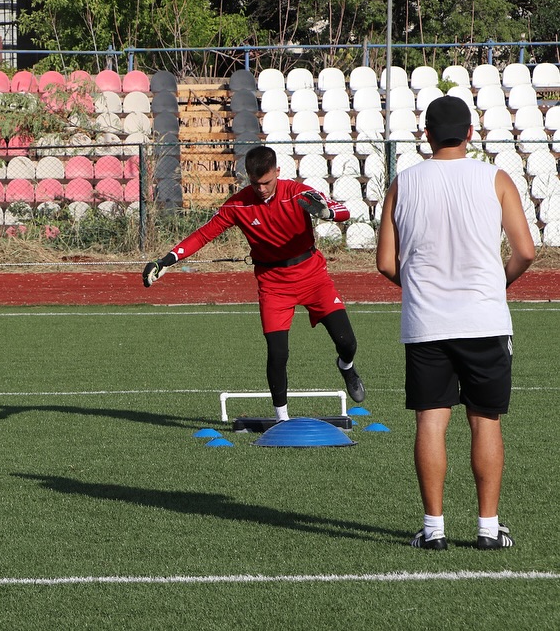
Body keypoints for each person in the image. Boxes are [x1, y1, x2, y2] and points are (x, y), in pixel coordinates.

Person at [376, 96, 535, 551]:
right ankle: (488, 529)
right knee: (485, 420)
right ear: (470, 133)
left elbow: (386, 262)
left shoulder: (402, 183)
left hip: (427, 322)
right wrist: (495, 285)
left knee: (431, 421)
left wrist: (424, 289)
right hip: (484, 318)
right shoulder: (496, 178)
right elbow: (525, 252)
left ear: (426, 134)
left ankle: (433, 530)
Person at [142, 144, 366, 421]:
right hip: (273, 285)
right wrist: (166, 260)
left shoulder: (297, 193)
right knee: (277, 352)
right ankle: (282, 419)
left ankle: (346, 367)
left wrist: (328, 213)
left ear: (278, 172)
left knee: (347, 342)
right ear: (247, 177)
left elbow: (342, 210)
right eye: (255, 182)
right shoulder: (239, 204)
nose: (261, 188)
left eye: (267, 182)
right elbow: (202, 235)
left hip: (313, 277)